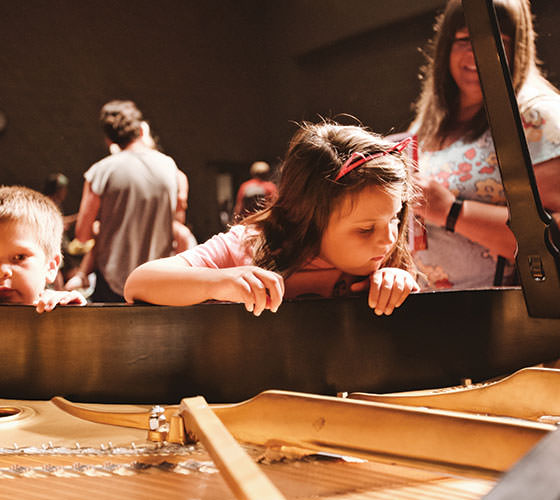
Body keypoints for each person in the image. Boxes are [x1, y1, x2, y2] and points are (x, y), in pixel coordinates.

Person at [124, 121, 419, 316]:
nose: (389, 239)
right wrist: (218, 280)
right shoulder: (249, 247)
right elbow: (139, 283)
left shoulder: (383, 259)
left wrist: (400, 283)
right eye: (366, 229)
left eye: (394, 219)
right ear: (308, 218)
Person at [409, 0, 560, 290]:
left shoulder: (539, 117)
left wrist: (450, 212)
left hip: (499, 317)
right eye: (465, 39)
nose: (477, 53)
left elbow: (553, 236)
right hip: (422, 310)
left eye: (498, 41)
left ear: (520, 48)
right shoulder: (428, 121)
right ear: (445, 48)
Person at [75, 100, 185, 302]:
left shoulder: (101, 171)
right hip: (159, 278)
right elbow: (178, 224)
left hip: (112, 281)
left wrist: (101, 227)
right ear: (140, 129)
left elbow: (82, 234)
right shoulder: (171, 168)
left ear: (109, 139)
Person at [0, 185, 86, 313]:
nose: (2, 271)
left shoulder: (55, 307)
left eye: (19, 257)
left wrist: (70, 314)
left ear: (51, 267)